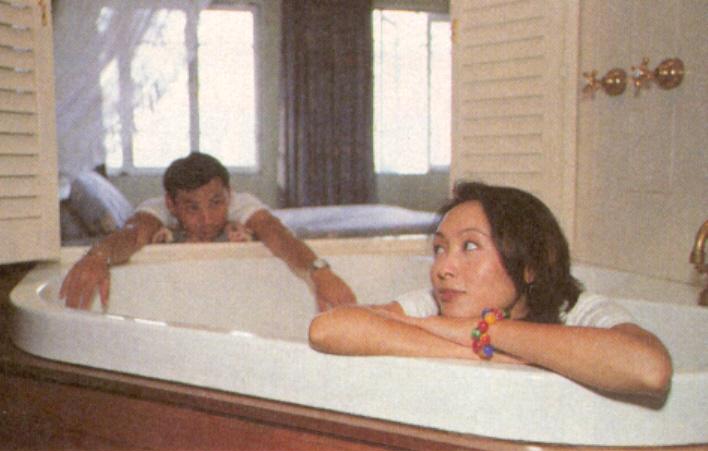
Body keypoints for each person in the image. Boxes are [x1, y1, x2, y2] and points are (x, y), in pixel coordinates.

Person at [309, 181, 672, 398]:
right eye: (440, 248)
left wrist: (484, 331)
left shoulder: (575, 308)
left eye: (470, 246)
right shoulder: (437, 302)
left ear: (530, 265)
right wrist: (479, 350)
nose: (443, 268)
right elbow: (328, 328)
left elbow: (648, 370)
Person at [60, 152, 356, 311]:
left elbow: (278, 234)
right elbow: (134, 234)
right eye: (192, 208)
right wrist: (98, 256)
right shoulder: (156, 208)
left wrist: (319, 272)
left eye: (216, 203)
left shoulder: (240, 203)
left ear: (229, 193)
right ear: (171, 204)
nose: (207, 219)